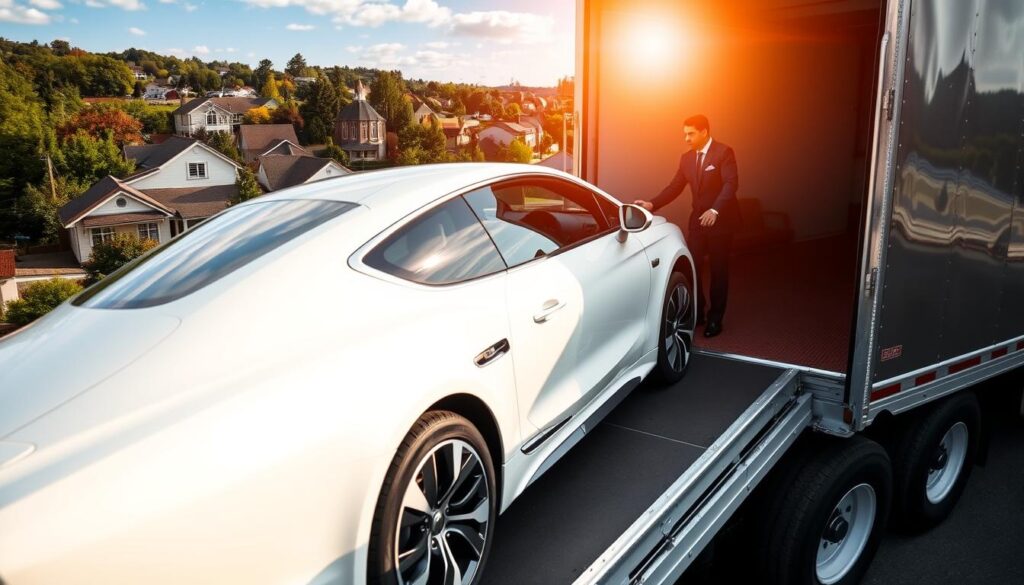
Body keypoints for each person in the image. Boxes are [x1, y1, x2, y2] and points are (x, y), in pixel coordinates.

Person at [634, 114, 739, 338]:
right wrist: (652, 204)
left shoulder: (724, 153)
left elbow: (731, 184)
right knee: (693, 266)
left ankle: (715, 319)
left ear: (704, 132)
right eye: (685, 134)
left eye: (690, 134)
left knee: (719, 270)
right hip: (698, 222)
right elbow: (675, 186)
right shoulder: (686, 159)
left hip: (721, 221)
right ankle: (698, 312)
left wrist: (715, 210)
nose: (686, 138)